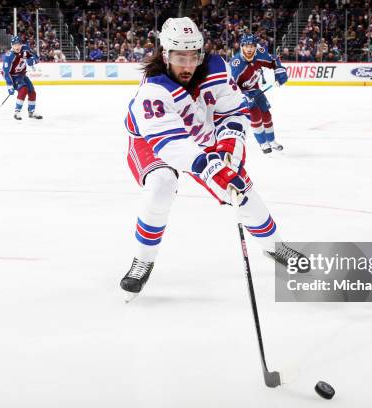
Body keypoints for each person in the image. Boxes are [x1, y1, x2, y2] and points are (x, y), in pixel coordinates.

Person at [120, 17, 308, 302]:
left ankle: (275, 246)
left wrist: (229, 147)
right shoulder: (153, 89)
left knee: (241, 190)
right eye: (179, 57)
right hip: (153, 141)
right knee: (161, 183)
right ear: (165, 54)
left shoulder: (216, 68)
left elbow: (232, 112)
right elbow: (171, 144)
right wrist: (211, 168)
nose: (187, 65)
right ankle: (143, 260)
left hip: (200, 136)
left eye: (193, 56)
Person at [229, 34, 288, 154]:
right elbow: (229, 86)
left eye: (251, 46)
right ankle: (262, 143)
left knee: (266, 115)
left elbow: (274, 60)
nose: (249, 49)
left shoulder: (260, 54)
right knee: (255, 115)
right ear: (241, 47)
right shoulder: (236, 64)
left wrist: (279, 71)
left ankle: (271, 141)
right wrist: (242, 97)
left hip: (255, 89)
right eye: (246, 46)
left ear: (256, 47)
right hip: (243, 92)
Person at [2, 35, 42, 120]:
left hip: (22, 75)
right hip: (13, 77)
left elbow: (37, 58)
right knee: (23, 89)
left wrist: (33, 60)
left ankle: (31, 112)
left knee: (32, 91)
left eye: (19, 44)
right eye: (15, 44)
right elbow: (6, 72)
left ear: (21, 44)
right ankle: (17, 112)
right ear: (11, 45)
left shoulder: (25, 48)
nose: (17, 46)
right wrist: (9, 85)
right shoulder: (9, 56)